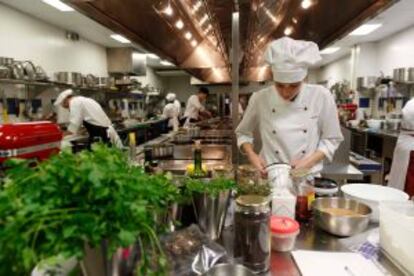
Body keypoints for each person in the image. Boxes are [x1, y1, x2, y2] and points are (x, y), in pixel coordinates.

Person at [236, 37, 344, 176]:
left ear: (303, 79)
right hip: (270, 174)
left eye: (294, 85)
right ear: (273, 79)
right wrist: (252, 155)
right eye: (279, 85)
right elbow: (243, 132)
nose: (286, 92)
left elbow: (332, 138)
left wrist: (309, 162)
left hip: (306, 175)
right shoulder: (260, 98)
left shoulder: (321, 96)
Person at [54, 89, 122, 148]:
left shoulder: (74, 103)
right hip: (105, 132)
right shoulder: (84, 100)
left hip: (101, 135)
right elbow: (91, 120)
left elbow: (74, 126)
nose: (67, 109)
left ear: (66, 100)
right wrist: (83, 131)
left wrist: (60, 135)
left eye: (65, 106)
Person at [388, 98, 414, 197]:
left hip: (405, 144)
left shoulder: (410, 102)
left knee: (398, 183)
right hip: (410, 148)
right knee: (407, 190)